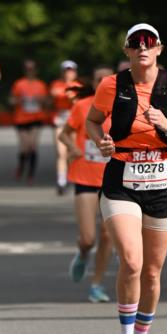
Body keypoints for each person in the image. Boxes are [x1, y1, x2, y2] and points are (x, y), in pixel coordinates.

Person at [86, 23, 167, 334]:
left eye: (149, 43)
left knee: (152, 272)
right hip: (122, 180)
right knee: (132, 262)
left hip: (163, 183)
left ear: (159, 49)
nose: (142, 48)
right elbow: (93, 122)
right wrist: (101, 141)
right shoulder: (112, 85)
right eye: (135, 43)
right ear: (126, 51)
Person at [58, 68, 114, 302]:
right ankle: (82, 254)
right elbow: (64, 134)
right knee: (89, 238)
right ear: (93, 83)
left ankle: (96, 284)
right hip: (85, 177)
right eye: (98, 79)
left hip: (114, 180)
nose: (102, 83)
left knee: (108, 234)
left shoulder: (123, 107)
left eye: (106, 80)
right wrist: (72, 148)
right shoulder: (83, 106)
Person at [10, 60, 49, 183]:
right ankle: (21, 167)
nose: (30, 71)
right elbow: (11, 101)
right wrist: (19, 100)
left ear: (36, 70)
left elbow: (48, 103)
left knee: (32, 145)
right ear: (24, 70)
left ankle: (31, 173)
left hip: (36, 118)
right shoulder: (19, 84)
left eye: (32, 69)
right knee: (24, 147)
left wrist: (41, 100)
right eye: (27, 69)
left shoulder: (41, 85)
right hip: (21, 118)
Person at [50, 60, 80, 194]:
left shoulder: (78, 86)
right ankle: (61, 181)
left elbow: (78, 101)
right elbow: (54, 94)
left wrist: (70, 96)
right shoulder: (56, 84)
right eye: (66, 71)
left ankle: (72, 176)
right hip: (60, 121)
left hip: (74, 123)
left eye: (71, 70)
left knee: (72, 152)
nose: (68, 73)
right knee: (60, 152)